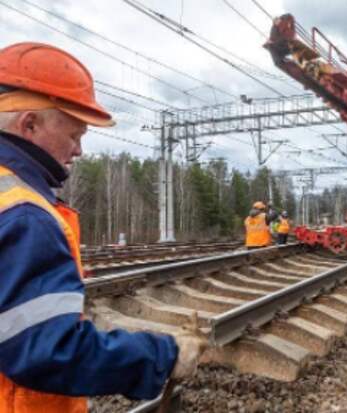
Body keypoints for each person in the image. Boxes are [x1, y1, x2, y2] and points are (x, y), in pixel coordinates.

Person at [0, 42, 206, 413]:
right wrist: (161, 356)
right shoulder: (25, 215)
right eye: (74, 135)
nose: (78, 151)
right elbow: (48, 351)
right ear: (29, 124)